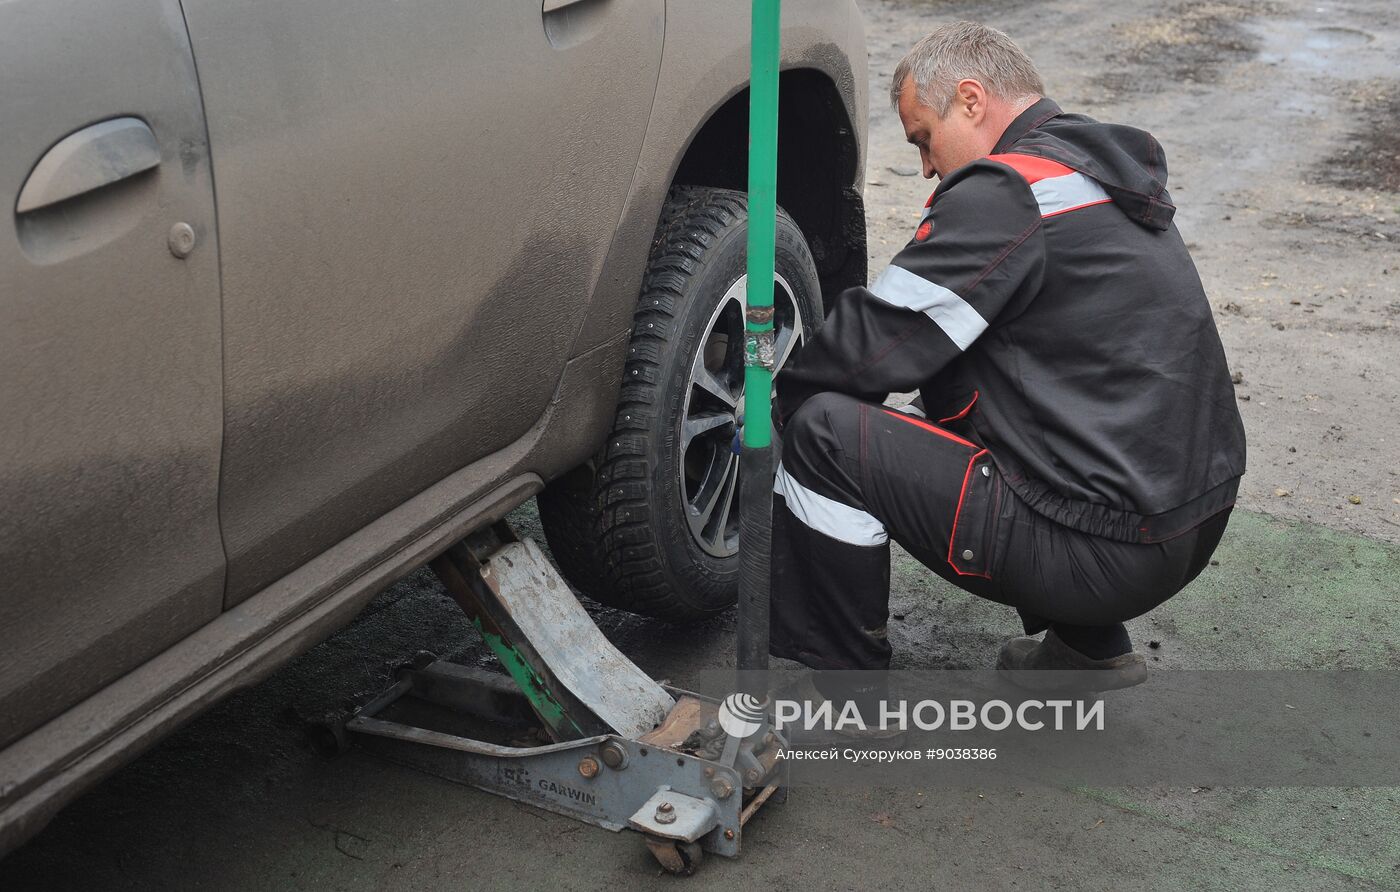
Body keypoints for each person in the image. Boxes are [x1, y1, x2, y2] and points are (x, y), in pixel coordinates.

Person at [768, 21, 1246, 691]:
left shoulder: (1009, 192)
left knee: (823, 431)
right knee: (985, 375)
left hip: (1104, 552)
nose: (927, 167)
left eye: (925, 140)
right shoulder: (1092, 171)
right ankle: (1089, 651)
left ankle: (840, 685)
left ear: (970, 99)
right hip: (1186, 525)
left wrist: (774, 409)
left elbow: (880, 338)